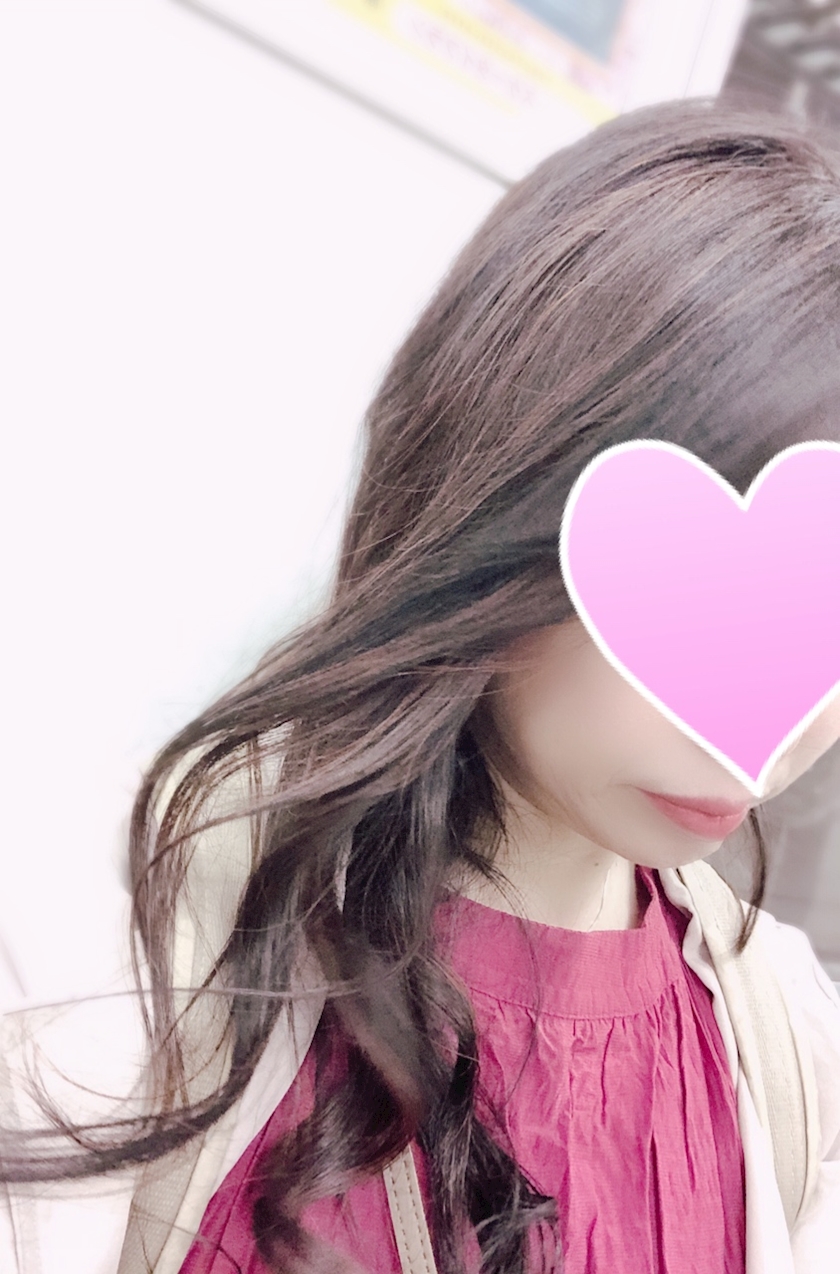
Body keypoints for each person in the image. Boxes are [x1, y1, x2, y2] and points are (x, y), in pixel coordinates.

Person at [2, 98, 840, 1274]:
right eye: (710, 591)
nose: (778, 720)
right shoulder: (119, 927)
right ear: (511, 503)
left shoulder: (786, 1043)